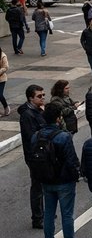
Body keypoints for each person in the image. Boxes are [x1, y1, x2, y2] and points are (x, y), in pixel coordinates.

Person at [32, 104, 89, 238]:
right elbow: (71, 160)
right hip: (64, 181)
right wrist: (77, 174)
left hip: (45, 180)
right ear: (58, 119)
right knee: (67, 214)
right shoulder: (64, 136)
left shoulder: (36, 136)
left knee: (49, 212)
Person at [19, 84, 46, 229]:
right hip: (35, 156)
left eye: (43, 95)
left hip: (42, 155)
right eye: (39, 96)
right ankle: (37, 218)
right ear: (30, 98)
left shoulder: (38, 110)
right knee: (37, 187)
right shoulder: (28, 115)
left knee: (42, 185)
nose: (42, 98)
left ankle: (42, 212)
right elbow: (32, 137)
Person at [0, 47, 8, 116]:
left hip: (1, 78)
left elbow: (5, 67)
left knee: (0, 95)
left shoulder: (3, 56)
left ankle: (6, 107)